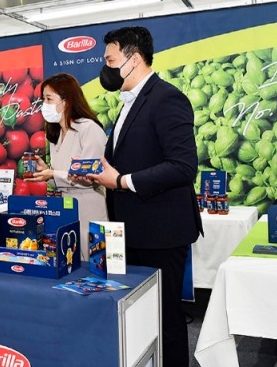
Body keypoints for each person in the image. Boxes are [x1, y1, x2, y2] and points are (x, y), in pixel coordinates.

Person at [85, 26, 202, 367]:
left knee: (165, 318)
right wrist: (101, 172)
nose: (104, 68)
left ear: (133, 59)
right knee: (138, 315)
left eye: (110, 60)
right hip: (130, 229)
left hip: (161, 233)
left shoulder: (167, 98)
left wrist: (120, 180)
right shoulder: (127, 104)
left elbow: (183, 166)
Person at [27, 72, 108, 261]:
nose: (44, 105)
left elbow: (90, 176)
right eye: (43, 99)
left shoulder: (89, 129)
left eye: (49, 99)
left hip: (89, 208)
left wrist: (53, 173)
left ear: (66, 101)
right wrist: (47, 172)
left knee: (93, 262)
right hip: (66, 208)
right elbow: (61, 179)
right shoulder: (55, 135)